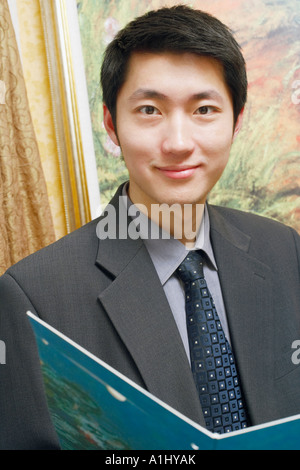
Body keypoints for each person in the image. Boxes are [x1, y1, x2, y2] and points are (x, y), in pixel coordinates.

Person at [1, 5, 300, 450]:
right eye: (149, 109)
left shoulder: (283, 248)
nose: (178, 143)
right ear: (112, 125)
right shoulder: (33, 295)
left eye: (203, 109)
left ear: (236, 121)